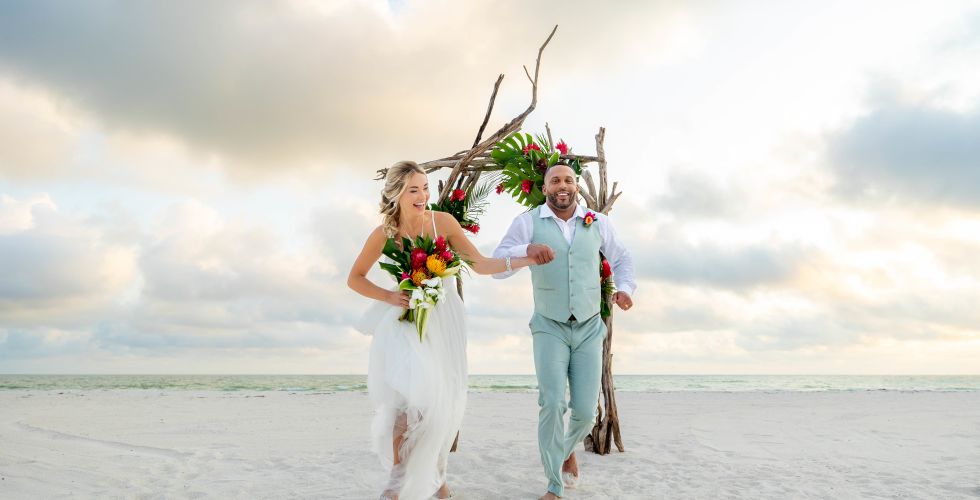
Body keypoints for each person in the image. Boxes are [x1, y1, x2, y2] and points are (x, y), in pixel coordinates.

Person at [348, 161, 545, 500]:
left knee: (439, 404)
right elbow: (355, 278)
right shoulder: (384, 233)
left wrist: (524, 261)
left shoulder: (443, 222)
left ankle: (437, 478)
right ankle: (396, 485)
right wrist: (390, 296)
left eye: (425, 187)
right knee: (405, 403)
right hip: (405, 322)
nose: (423, 195)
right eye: (414, 189)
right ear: (396, 193)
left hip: (444, 322)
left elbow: (480, 264)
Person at [492, 163, 636, 499]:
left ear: (577, 187)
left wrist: (626, 287)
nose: (563, 185)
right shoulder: (527, 222)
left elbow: (622, 258)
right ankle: (554, 485)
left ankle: (564, 451)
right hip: (548, 326)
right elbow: (498, 264)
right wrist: (525, 250)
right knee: (553, 402)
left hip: (588, 327)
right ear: (544, 188)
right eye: (555, 180)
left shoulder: (598, 222)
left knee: (585, 413)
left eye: (569, 180)